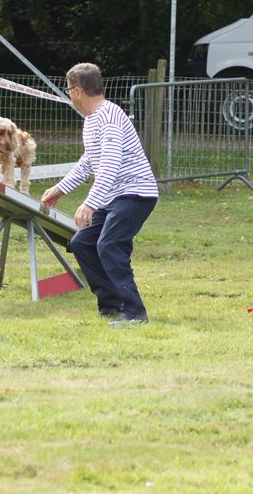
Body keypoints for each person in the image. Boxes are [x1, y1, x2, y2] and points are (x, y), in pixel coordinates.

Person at [41, 62, 159, 326]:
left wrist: (89, 204)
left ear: (78, 91)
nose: (69, 94)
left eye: (69, 89)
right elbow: (89, 162)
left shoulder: (110, 117)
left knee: (109, 245)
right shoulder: (92, 120)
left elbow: (110, 165)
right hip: (115, 196)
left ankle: (134, 312)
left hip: (136, 194)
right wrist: (60, 188)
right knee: (82, 242)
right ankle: (110, 306)